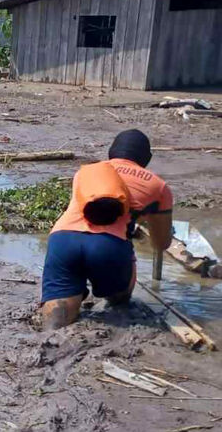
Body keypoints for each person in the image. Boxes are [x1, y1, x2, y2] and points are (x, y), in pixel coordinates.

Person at [40, 129, 174, 330]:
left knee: (57, 320)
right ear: (147, 158)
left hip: (63, 240)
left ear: (111, 152)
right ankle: (115, 303)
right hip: (108, 246)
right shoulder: (158, 185)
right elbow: (161, 242)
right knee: (120, 298)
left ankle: (49, 334)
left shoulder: (86, 172)